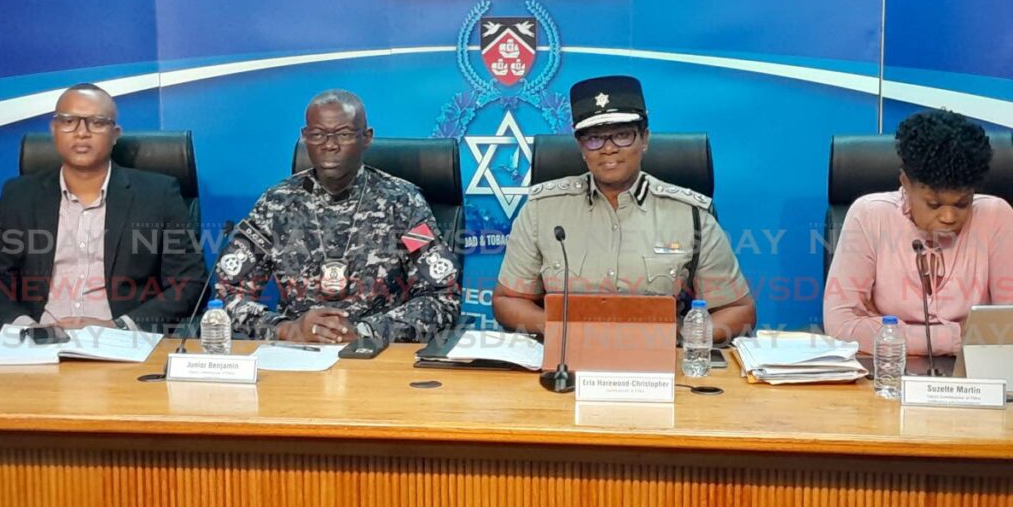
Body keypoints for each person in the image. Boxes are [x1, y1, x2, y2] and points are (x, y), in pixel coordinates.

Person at [493, 75, 755, 342]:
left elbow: (738, 310)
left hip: (660, 367)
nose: (608, 149)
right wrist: (557, 330)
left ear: (645, 139)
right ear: (581, 148)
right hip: (565, 362)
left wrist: (681, 339)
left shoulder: (690, 214)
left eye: (622, 136)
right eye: (594, 138)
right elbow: (508, 301)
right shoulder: (542, 210)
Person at [216, 90, 460, 344]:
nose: (329, 145)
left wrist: (368, 332)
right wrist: (285, 329)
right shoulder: (276, 204)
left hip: (377, 355)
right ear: (305, 137)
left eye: (343, 134)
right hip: (296, 354)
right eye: (318, 135)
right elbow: (227, 294)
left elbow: (442, 296)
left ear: (366, 138)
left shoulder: (402, 202)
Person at [0, 83, 207, 332]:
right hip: (36, 343)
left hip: (123, 344)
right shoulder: (18, 195)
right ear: (54, 129)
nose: (82, 132)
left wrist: (120, 327)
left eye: (97, 122)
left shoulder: (158, 194)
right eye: (69, 121)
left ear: (115, 134)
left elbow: (191, 282)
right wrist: (28, 329)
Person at [824, 109, 1013, 354]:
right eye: (933, 204)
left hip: (976, 376)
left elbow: (1008, 329)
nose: (948, 217)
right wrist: (959, 335)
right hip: (886, 372)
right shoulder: (869, 215)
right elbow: (841, 325)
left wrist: (888, 329)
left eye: (962, 203)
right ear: (905, 183)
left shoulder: (997, 216)